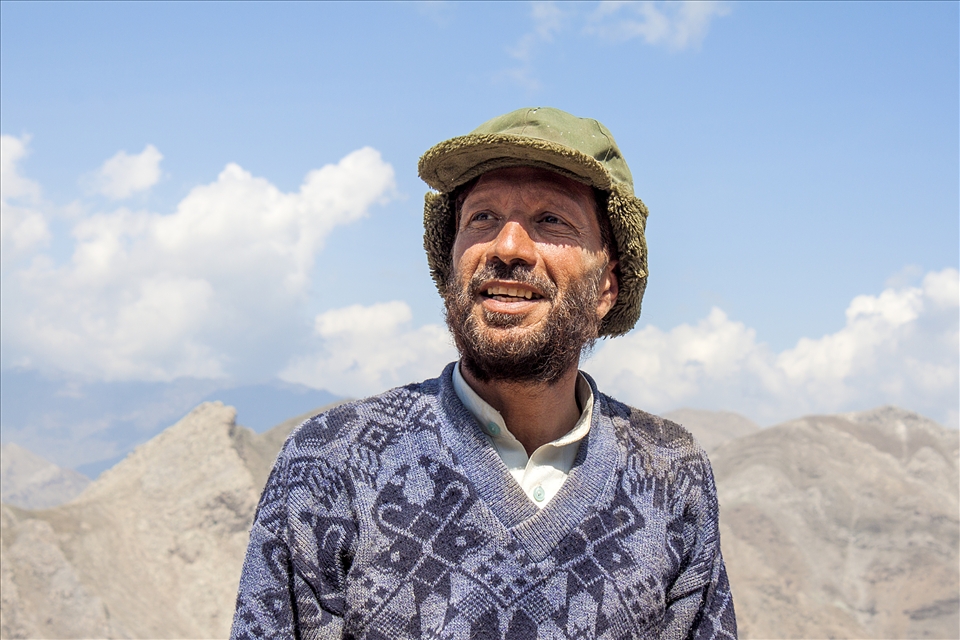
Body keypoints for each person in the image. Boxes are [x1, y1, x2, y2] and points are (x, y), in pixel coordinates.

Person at [231, 107, 737, 639]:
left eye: (551, 221)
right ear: (450, 267)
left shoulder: (671, 476)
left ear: (606, 289)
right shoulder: (331, 461)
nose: (507, 247)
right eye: (483, 218)